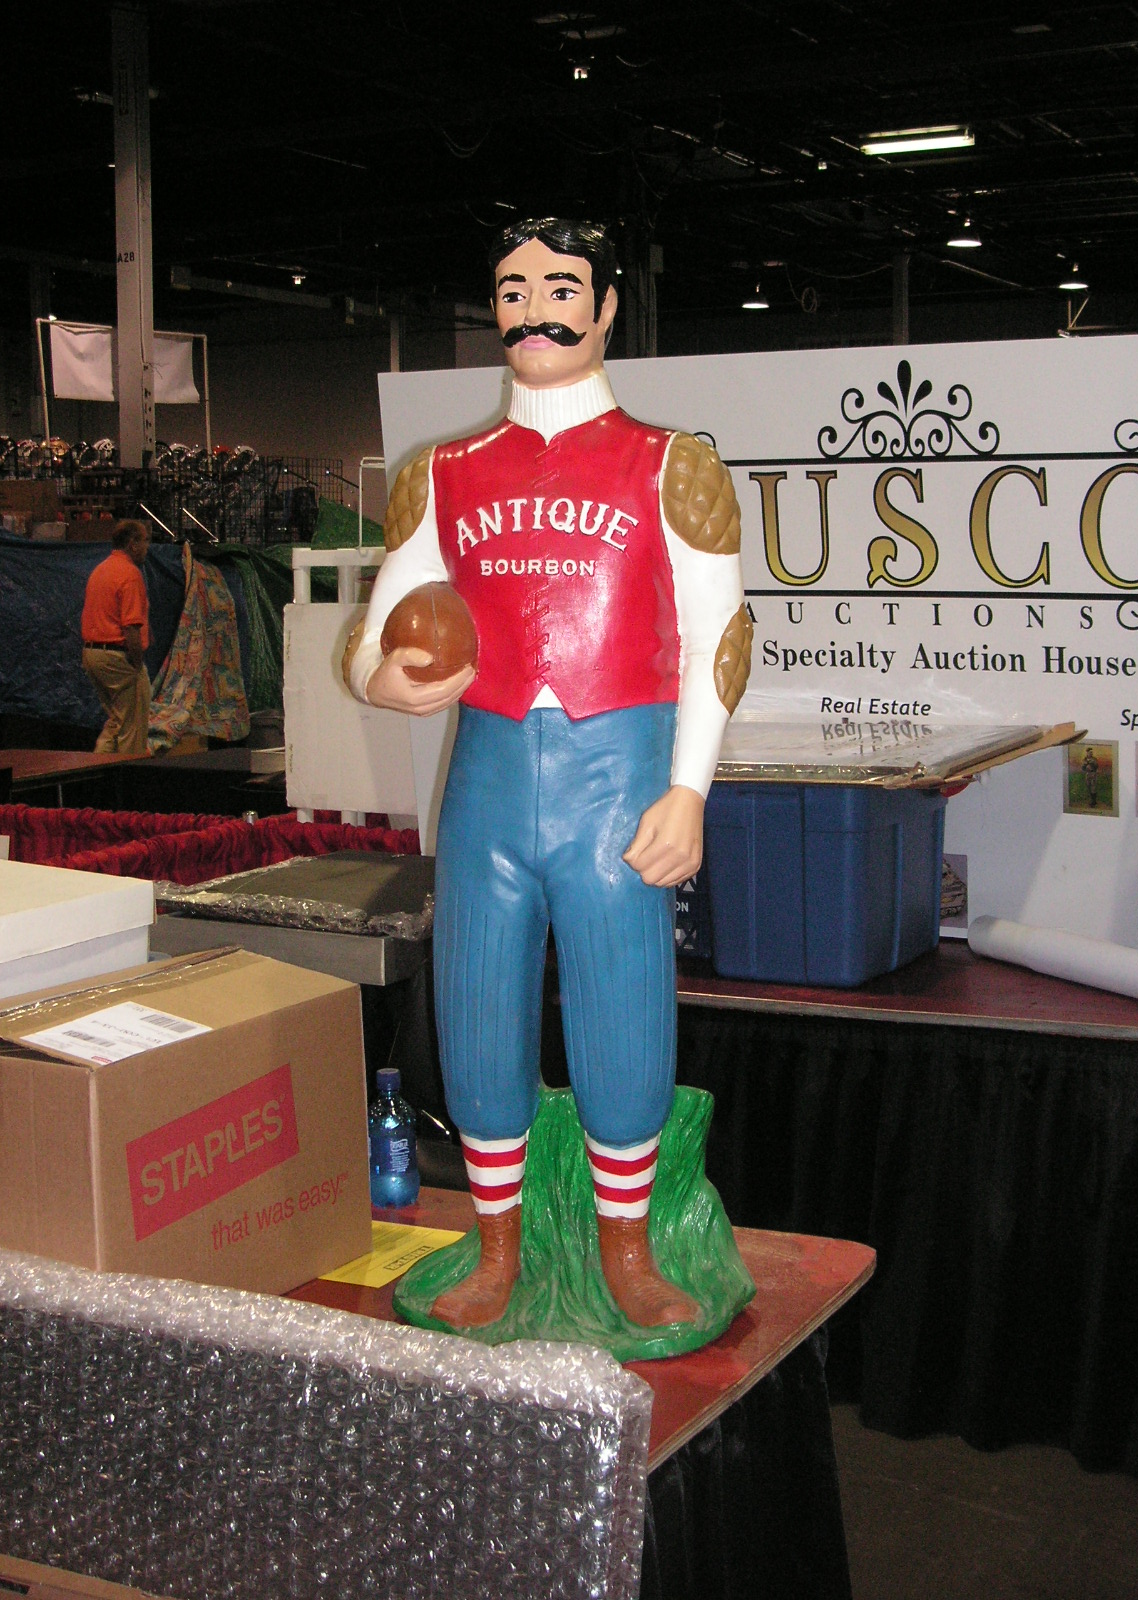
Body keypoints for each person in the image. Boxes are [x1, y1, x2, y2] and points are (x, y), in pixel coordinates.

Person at [347, 217, 752, 1329]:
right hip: (485, 782)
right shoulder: (441, 473)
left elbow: (721, 637)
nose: (535, 310)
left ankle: (627, 1249)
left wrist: (689, 789)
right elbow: (373, 638)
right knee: (478, 1014)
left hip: (617, 777)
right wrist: (388, 679)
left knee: (625, 1014)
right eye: (514, 289)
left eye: (561, 288)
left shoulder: (673, 462)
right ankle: (497, 1247)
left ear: (607, 305)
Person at [81, 518, 152, 755]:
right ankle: (130, 774)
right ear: (133, 544)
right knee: (133, 728)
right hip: (117, 657)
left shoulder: (100, 570)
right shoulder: (129, 574)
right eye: (145, 541)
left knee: (116, 721)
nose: (147, 547)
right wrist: (137, 664)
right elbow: (131, 627)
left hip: (92, 655)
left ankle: (95, 771)